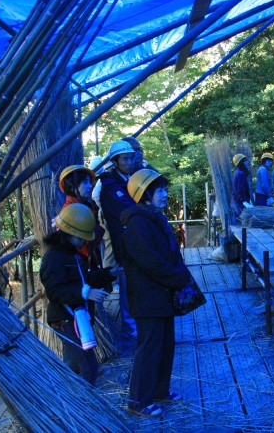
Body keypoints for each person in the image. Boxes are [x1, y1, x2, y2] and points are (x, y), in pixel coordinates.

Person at [121, 169, 191, 417]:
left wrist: (178, 275)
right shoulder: (138, 223)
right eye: (160, 190)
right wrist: (178, 277)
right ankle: (138, 401)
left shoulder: (154, 218)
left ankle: (160, 391)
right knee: (150, 347)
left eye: (164, 189)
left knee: (165, 345)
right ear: (145, 194)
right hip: (147, 296)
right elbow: (150, 261)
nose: (165, 194)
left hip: (161, 294)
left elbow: (168, 253)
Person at [40, 203, 110, 385]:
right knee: (87, 367)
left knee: (74, 365)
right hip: (64, 319)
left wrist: (109, 274)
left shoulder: (71, 253)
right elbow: (55, 292)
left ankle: (68, 400)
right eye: (81, 238)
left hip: (76, 317)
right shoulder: (54, 258)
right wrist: (86, 294)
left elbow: (82, 278)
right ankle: (85, 406)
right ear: (69, 234)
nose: (84, 242)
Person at [98, 140, 138, 338]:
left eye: (131, 158)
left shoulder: (130, 178)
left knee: (136, 281)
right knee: (126, 283)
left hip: (135, 240)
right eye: (125, 158)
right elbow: (127, 209)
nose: (129, 161)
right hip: (122, 242)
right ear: (115, 161)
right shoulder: (110, 184)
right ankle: (130, 326)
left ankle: (136, 321)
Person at [231, 153, 253, 218]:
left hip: (236, 202)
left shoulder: (237, 172)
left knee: (236, 224)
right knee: (240, 225)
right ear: (241, 163)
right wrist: (244, 201)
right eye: (245, 160)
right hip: (239, 204)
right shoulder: (241, 174)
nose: (247, 162)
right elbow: (241, 189)